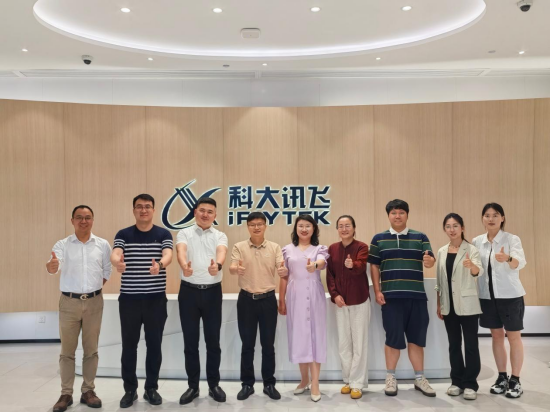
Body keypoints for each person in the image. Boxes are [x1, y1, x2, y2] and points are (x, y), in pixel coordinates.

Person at [368, 199, 437, 398]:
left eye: (401, 212)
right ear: (388, 216)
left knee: (416, 339)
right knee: (393, 339)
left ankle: (420, 378)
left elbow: (430, 260)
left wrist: (430, 261)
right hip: (391, 298)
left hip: (416, 297)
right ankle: (390, 378)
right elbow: (374, 266)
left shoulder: (420, 237)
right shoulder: (378, 239)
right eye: (393, 213)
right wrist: (378, 290)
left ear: (407, 215)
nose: (397, 216)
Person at [111, 194, 174, 408]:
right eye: (139, 206)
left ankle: (151, 388)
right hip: (129, 300)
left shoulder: (163, 234)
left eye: (147, 206)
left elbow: (168, 255)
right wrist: (117, 263)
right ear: (134, 210)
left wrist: (160, 265)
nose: (143, 210)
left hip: (155, 300)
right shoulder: (124, 234)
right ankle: (130, 390)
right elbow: (116, 253)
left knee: (154, 345)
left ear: (153, 210)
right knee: (129, 345)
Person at [47, 206, 112, 413]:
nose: (84, 221)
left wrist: (92, 289)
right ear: (72, 220)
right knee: (67, 352)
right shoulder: (62, 245)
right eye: (79, 218)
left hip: (94, 302)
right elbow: (54, 265)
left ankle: (88, 391)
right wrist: (51, 266)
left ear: (93, 220)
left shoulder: (102, 244)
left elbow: (107, 270)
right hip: (69, 302)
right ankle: (66, 394)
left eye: (88, 218)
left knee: (91, 350)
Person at [176, 197, 228, 405]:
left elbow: (221, 252)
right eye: (202, 210)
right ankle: (193, 386)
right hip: (188, 292)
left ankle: (214, 385)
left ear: (215, 215)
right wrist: (184, 265)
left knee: (213, 342)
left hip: (212, 293)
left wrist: (218, 266)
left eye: (210, 212)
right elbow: (181, 250)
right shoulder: (184, 233)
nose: (205, 214)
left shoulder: (220, 235)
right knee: (190, 343)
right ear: (195, 212)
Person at [472, 203, 527, 399]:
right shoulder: (477, 241)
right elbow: (476, 268)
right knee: (496, 336)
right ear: (482, 219)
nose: (491, 219)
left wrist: (508, 258)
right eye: (487, 215)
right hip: (487, 297)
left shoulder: (511, 239)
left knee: (513, 337)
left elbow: (520, 263)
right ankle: (502, 377)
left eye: (495, 215)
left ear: (502, 218)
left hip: (510, 296)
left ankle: (516, 379)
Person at [229, 212, 284, 401]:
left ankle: (269, 384)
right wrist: (236, 269)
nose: (256, 227)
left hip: (268, 300)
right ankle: (247, 384)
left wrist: (283, 270)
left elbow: (281, 267)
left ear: (265, 226)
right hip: (246, 300)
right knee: (247, 345)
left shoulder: (275, 247)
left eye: (260, 224)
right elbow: (232, 267)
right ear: (247, 226)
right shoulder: (239, 246)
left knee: (268, 345)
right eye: (252, 224)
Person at [279, 215, 329, 403]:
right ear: (296, 228)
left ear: (314, 229)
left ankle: (315, 383)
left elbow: (322, 262)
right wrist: (281, 299)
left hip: (314, 296)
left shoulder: (319, 249)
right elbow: (284, 275)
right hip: (295, 296)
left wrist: (314, 265)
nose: (304, 229)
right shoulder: (287, 250)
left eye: (308, 226)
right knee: (299, 337)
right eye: (301, 226)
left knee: (315, 338)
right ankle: (304, 379)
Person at [436, 213, 483, 401]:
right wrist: (439, 303)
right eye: (448, 226)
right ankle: (456, 381)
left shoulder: (471, 249)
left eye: (455, 226)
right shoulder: (441, 251)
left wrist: (472, 266)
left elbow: (478, 271)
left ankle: (470, 383)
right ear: (444, 229)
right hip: (448, 305)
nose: (452, 230)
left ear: (462, 228)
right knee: (454, 344)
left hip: (468, 304)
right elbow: (439, 281)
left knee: (471, 345)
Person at [326, 215, 370, 400]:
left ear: (354, 228)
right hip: (341, 302)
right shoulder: (332, 249)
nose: (344, 229)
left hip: (359, 300)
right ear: (337, 229)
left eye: (347, 226)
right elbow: (330, 275)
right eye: (341, 226)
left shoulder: (362, 247)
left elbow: (361, 266)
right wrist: (335, 295)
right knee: (344, 344)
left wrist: (353, 265)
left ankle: (357, 383)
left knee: (359, 343)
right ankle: (348, 380)